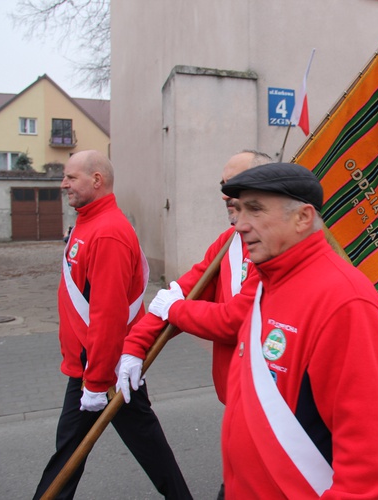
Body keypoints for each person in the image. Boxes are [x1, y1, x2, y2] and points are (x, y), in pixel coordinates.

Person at [218, 162, 378, 497]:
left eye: (255, 209)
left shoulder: (345, 301)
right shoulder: (266, 280)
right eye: (238, 210)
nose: (239, 225)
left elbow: (366, 463)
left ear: (303, 218)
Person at [33, 150, 192, 499]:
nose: (63, 184)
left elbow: (108, 315)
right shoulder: (89, 223)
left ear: (96, 180)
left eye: (71, 177)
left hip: (104, 368)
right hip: (95, 365)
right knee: (118, 447)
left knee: (84, 451)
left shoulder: (107, 233)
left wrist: (95, 381)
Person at [116, 149, 271, 500]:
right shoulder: (227, 243)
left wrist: (177, 311)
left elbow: (235, 320)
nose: (224, 195)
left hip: (273, 403)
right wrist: (134, 346)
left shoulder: (274, 246)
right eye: (223, 185)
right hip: (238, 401)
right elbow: (180, 292)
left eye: (235, 186)